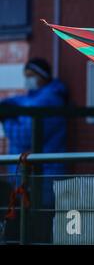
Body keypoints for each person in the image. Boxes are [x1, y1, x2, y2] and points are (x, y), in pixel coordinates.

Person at [0, 57, 68, 243]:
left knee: (41, 221)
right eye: (26, 75)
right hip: (26, 174)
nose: (27, 80)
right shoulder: (31, 97)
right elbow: (15, 101)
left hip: (45, 176)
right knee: (22, 218)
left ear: (42, 76)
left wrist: (8, 119)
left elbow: (24, 134)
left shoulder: (51, 99)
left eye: (31, 75)